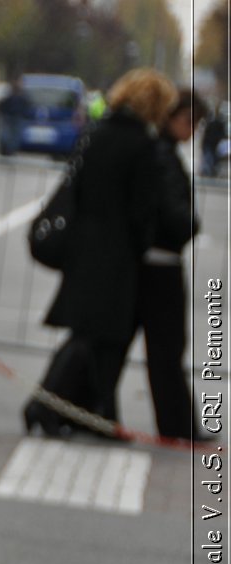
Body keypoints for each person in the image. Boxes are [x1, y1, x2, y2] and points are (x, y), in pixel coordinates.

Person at [22, 69, 175, 438]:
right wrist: (143, 242)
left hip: (84, 243)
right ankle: (43, 405)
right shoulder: (142, 146)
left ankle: (88, 413)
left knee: (92, 335)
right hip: (116, 251)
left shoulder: (97, 133)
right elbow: (142, 209)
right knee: (92, 337)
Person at [134, 88, 205, 441]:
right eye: (187, 121)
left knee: (160, 348)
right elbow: (172, 213)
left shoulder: (162, 152)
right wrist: (191, 225)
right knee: (167, 347)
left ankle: (178, 423)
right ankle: (177, 424)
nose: (191, 129)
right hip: (160, 264)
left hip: (153, 261)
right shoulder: (162, 156)